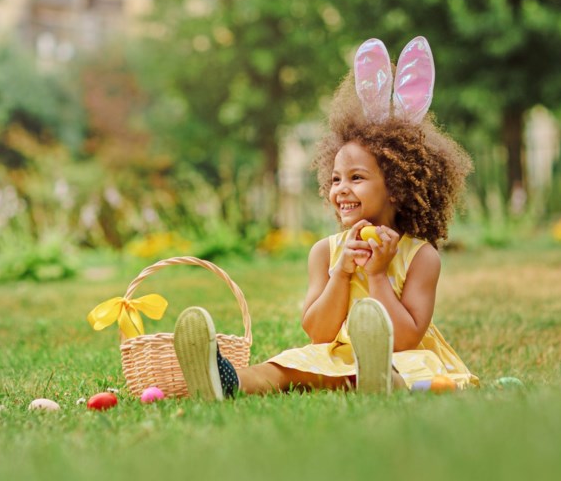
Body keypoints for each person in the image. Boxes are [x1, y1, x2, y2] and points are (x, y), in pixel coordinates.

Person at [173, 37, 480, 399]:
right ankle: (227, 381)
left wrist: (378, 274)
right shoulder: (325, 253)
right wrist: (342, 273)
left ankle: (382, 378)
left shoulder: (420, 256)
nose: (341, 189)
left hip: (403, 357)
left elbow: (408, 337)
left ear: (396, 187)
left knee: (408, 368)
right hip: (340, 355)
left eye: (357, 178)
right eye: (336, 179)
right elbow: (318, 332)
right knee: (287, 366)